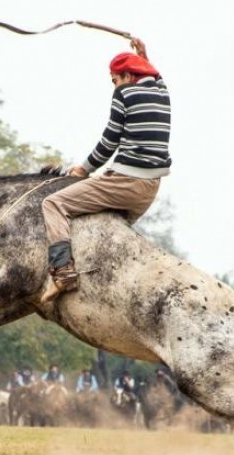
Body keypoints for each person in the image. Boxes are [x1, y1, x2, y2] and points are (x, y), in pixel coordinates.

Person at [40, 36, 171, 302]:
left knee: (53, 204)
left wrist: (83, 170)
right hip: (148, 191)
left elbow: (110, 139)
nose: (114, 85)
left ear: (125, 75)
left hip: (126, 182)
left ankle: (63, 272)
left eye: (115, 79)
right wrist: (144, 56)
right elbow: (153, 74)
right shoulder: (162, 91)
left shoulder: (125, 93)